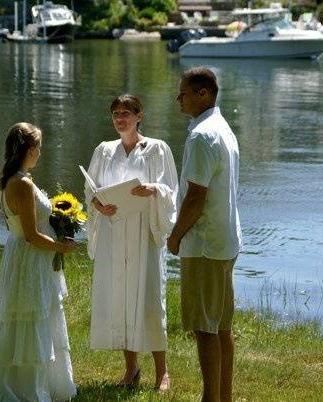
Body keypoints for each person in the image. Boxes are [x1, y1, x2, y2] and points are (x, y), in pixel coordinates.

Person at [85, 94, 177, 391]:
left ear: (140, 115)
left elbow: (171, 190)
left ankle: (162, 371)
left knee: (148, 298)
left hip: (142, 232)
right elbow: (91, 189)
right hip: (114, 229)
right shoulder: (104, 150)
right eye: (115, 114)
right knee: (122, 298)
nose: (120, 118)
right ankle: (131, 369)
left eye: (126, 113)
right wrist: (99, 205)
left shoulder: (156, 149)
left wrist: (153, 190)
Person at [0, 122, 77, 402]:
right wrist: (61, 246)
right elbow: (30, 236)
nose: (40, 151)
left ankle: (41, 383)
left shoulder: (16, 177)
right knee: (31, 317)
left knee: (34, 315)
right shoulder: (22, 184)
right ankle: (28, 389)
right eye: (38, 146)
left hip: (23, 257)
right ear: (28, 149)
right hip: (29, 257)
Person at [167, 68, 242, 402]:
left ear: (203, 94)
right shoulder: (221, 128)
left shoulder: (202, 136)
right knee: (221, 326)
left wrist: (175, 235)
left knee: (205, 328)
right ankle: (222, 397)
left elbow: (196, 196)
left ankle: (211, 399)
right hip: (224, 240)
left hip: (205, 243)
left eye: (183, 92)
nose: (178, 97)